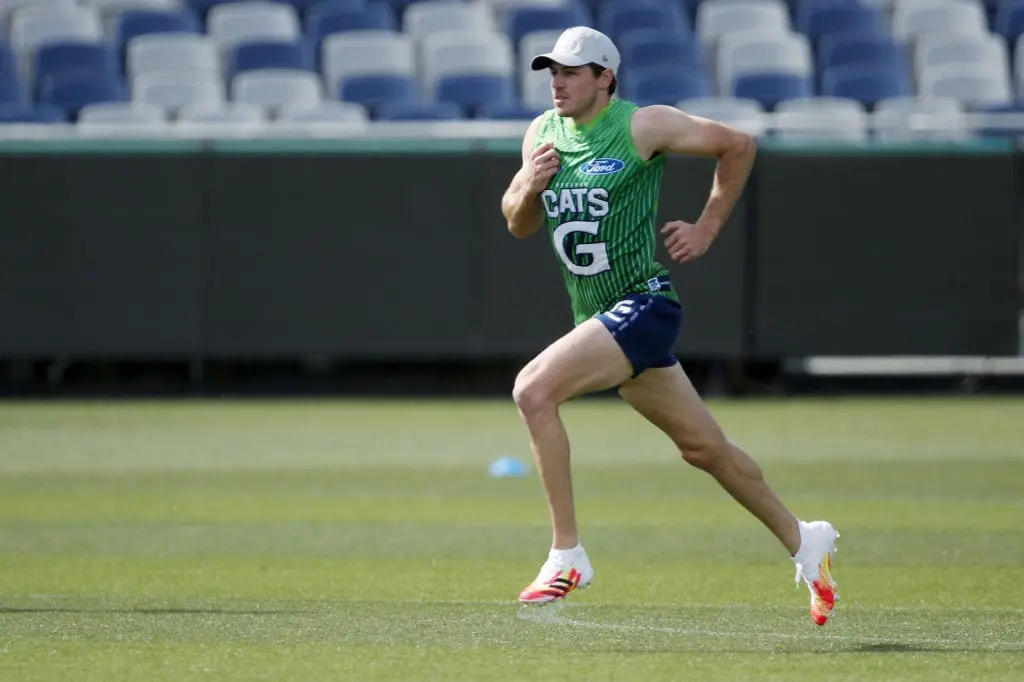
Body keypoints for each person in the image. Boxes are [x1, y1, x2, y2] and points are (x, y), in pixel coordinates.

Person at [499, 26, 840, 627]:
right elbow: (518, 223)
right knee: (704, 449)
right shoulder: (542, 133)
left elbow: (738, 145)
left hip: (643, 304)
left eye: (572, 71)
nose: (558, 82)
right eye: (553, 71)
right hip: (600, 316)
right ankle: (804, 539)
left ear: (605, 77)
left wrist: (707, 226)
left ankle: (566, 555)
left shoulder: (642, 124)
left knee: (533, 390)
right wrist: (528, 184)